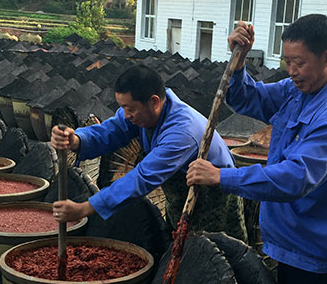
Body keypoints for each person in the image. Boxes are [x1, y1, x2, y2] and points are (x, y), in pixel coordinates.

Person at [187, 14, 327, 284]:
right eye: (287, 62)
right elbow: (249, 98)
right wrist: (239, 64)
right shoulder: (296, 90)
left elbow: (295, 178)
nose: (292, 70)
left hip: (313, 249)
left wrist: (221, 176)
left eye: (300, 62)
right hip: (284, 236)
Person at [50, 64, 247, 241]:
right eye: (122, 108)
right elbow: (112, 130)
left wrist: (85, 208)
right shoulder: (146, 111)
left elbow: (142, 177)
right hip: (180, 194)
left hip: (213, 197)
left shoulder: (182, 132)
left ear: (153, 101)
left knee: (215, 255)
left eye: (130, 109)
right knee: (180, 246)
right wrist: (76, 139)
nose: (126, 115)